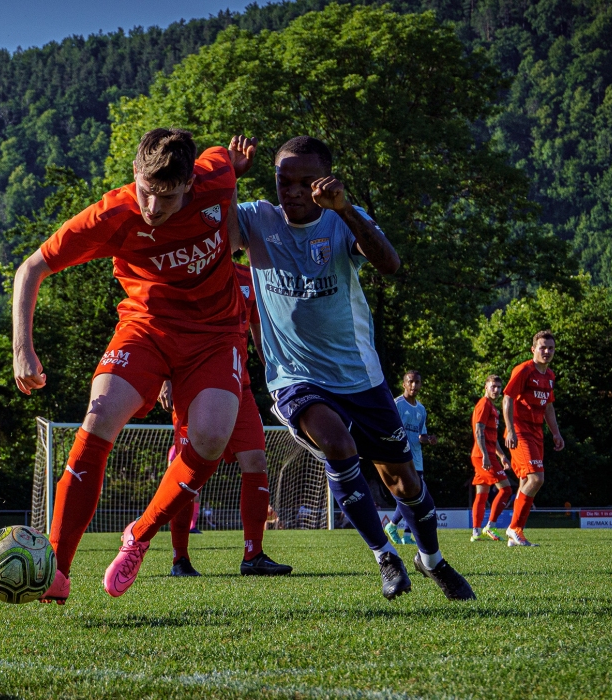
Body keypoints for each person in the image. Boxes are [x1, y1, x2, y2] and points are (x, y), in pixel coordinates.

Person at [13, 128, 258, 601]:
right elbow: (31, 268)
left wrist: (237, 169)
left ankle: (140, 535)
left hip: (215, 334)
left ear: (190, 183)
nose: (153, 207)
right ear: (134, 174)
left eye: (167, 197)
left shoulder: (217, 175)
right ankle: (57, 572)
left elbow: (226, 165)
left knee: (210, 438)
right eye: (146, 191)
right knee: (100, 416)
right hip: (145, 328)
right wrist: (23, 349)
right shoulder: (113, 214)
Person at [231, 135, 474, 601]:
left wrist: (344, 210)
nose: (293, 192)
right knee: (337, 444)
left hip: (360, 377)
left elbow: (389, 263)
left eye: (305, 182)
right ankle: (385, 555)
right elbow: (214, 236)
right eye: (284, 181)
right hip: (295, 376)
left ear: (326, 180)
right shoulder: (256, 218)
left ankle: (432, 560)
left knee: (403, 481)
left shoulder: (343, 219)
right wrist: (229, 178)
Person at [164, 261, 292, 578]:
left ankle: (253, 555)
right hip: (193, 385)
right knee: (188, 472)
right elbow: (166, 326)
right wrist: (165, 377)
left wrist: (281, 374)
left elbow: (260, 338)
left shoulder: (250, 276)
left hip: (239, 386)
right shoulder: (190, 269)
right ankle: (180, 559)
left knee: (256, 461)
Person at [503, 330, 565, 547]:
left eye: (551, 348)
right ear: (533, 349)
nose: (547, 351)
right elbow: (507, 398)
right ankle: (514, 528)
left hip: (537, 433)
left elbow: (548, 407)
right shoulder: (524, 370)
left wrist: (556, 433)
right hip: (520, 431)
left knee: (525, 481)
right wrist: (510, 429)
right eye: (542, 347)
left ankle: (515, 534)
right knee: (537, 479)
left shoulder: (550, 376)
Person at [384, 370, 437, 546]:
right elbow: (388, 429)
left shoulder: (421, 409)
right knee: (410, 496)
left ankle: (405, 534)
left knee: (416, 497)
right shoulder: (397, 404)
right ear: (404, 384)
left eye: (417, 382)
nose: (414, 385)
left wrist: (428, 439)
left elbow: (421, 435)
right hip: (401, 457)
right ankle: (393, 526)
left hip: (417, 459)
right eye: (410, 381)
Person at [469, 375, 513, 542]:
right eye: (493, 386)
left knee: (482, 493)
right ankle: (491, 526)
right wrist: (486, 456)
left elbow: (492, 438)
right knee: (506, 490)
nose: (496, 390)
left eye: (499, 387)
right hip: (483, 455)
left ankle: (476, 532)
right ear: (485, 388)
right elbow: (478, 431)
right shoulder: (484, 405)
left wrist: (502, 456)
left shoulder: (493, 408)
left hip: (485, 454)